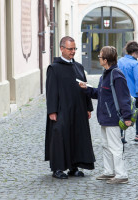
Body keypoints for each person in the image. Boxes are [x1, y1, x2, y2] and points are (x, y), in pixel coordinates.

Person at [79, 46, 131, 184]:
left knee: (115, 146)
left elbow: (123, 97)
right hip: (104, 117)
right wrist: (87, 89)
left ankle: (121, 175)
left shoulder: (116, 75)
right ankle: (109, 172)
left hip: (113, 117)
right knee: (106, 145)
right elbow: (99, 93)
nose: (99, 59)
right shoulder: (105, 74)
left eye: (100, 57)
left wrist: (127, 117)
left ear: (106, 59)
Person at [45, 36, 95, 179]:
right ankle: (58, 168)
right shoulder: (54, 68)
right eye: (70, 49)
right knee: (60, 137)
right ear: (62, 49)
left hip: (78, 109)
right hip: (61, 110)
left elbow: (85, 87)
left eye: (74, 49)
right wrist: (52, 111)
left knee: (76, 137)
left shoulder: (78, 67)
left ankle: (74, 167)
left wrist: (88, 107)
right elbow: (51, 90)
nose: (73, 51)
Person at [118, 41, 138, 143]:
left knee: (122, 113)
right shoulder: (136, 64)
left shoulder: (120, 61)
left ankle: (120, 136)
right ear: (134, 52)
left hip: (121, 93)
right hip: (133, 94)